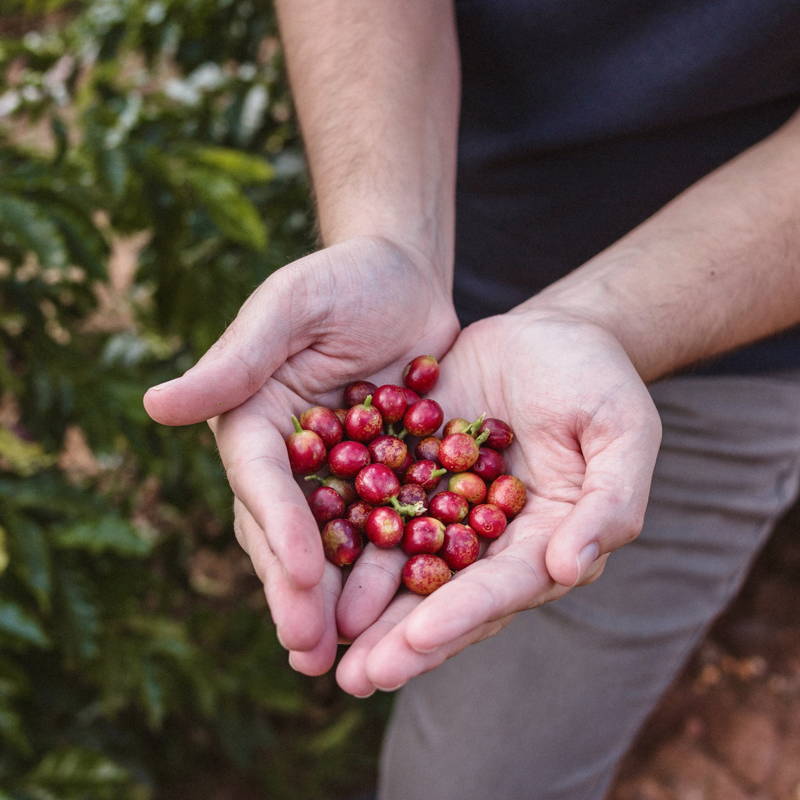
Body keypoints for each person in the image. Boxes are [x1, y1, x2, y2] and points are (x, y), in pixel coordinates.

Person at [143, 2, 800, 797]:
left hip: (740, 325)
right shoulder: (426, 450)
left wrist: (598, 323)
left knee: (482, 778)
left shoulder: (431, 469)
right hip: (456, 238)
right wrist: (390, 240)